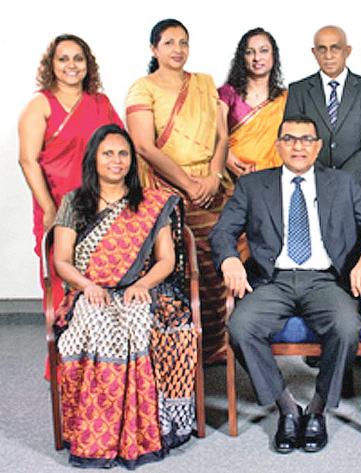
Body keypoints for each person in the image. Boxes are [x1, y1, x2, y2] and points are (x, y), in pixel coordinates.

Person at [210, 116, 361, 454]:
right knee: (240, 326)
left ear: (318, 146)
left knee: (347, 326)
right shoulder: (253, 186)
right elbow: (222, 232)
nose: (298, 146)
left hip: (323, 279)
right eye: (290, 139)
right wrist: (229, 259)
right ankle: (287, 408)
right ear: (278, 145)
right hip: (271, 280)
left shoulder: (342, 183)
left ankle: (318, 409)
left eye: (306, 139)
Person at [52, 124, 196, 468]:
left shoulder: (150, 203)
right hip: (92, 291)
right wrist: (87, 286)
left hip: (141, 289)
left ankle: (143, 432)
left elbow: (166, 260)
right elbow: (61, 261)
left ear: (132, 161)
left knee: (141, 326)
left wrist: (143, 284)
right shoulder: (74, 202)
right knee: (97, 329)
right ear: (94, 159)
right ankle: (96, 436)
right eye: (108, 154)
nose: (116, 161)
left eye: (123, 154)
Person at [126, 18, 230, 364]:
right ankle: (182, 347)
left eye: (183, 42)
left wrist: (214, 176)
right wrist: (187, 185)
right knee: (182, 268)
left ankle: (217, 344)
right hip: (168, 192)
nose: (178, 49)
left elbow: (221, 136)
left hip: (211, 188)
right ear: (154, 49)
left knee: (220, 263)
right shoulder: (143, 89)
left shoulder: (203, 83)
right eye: (169, 42)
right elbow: (144, 146)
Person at [18, 34, 123, 314]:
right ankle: (63, 357)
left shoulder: (101, 103)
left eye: (78, 58)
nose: (71, 65)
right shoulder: (39, 105)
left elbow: (122, 151)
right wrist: (50, 209)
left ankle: (103, 357)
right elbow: (27, 161)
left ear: (88, 64)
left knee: (103, 280)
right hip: (56, 204)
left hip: (103, 206)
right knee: (60, 284)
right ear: (51, 64)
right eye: (63, 59)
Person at [284, 25, 361, 198]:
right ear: (314, 53)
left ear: (347, 51)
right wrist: (320, 177)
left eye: (335, 48)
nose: (328, 56)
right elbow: (292, 138)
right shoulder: (298, 90)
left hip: (355, 185)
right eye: (322, 49)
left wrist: (345, 177)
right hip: (311, 186)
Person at [219, 27, 287, 175]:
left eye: (264, 51)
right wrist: (236, 167)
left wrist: (259, 169)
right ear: (242, 58)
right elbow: (216, 136)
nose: (257, 58)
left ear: (273, 55)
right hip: (230, 176)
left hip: (271, 176)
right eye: (250, 52)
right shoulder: (227, 93)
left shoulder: (285, 98)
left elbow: (289, 141)